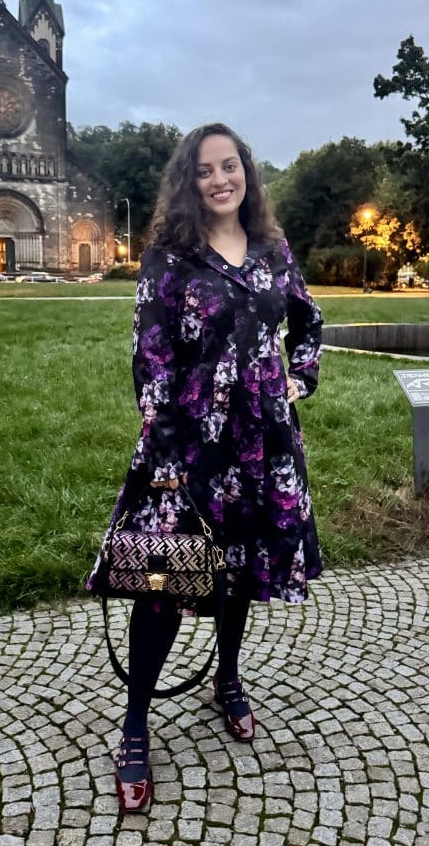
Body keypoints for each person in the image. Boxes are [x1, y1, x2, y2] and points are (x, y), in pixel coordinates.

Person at [87, 122, 324, 812]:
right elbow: (150, 354)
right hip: (189, 445)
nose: (220, 179)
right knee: (163, 581)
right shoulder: (169, 259)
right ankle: (136, 723)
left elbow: (308, 321)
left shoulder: (273, 251)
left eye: (230, 165)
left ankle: (227, 678)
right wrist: (163, 444)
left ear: (246, 171)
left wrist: (299, 379)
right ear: (188, 182)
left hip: (263, 443)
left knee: (239, 570)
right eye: (205, 170)